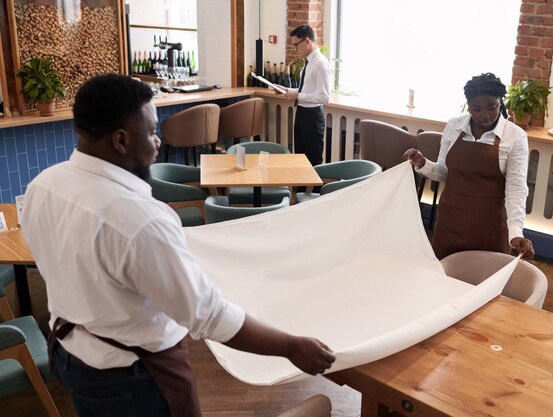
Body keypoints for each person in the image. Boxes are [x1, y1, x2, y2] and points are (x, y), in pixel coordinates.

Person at [22, 73, 335, 417]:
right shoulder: (140, 220)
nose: (158, 143)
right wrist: (291, 346)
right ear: (122, 140)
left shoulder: (42, 187)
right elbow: (209, 315)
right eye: (153, 132)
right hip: (132, 378)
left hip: (70, 357)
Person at [403, 73, 535, 261]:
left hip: (489, 226)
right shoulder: (454, 127)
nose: (485, 115)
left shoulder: (515, 136)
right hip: (450, 221)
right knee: (444, 279)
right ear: (468, 105)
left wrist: (515, 232)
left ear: (501, 103)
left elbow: (516, 188)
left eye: (493, 107)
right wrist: (423, 164)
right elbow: (444, 173)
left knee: (485, 282)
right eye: (477, 109)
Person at [279, 24, 331, 166]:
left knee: (313, 161)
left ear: (307, 41)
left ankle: (312, 189)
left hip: (313, 116)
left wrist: (297, 96)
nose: (296, 50)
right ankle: (301, 189)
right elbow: (307, 89)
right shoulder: (309, 62)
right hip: (301, 113)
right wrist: (287, 90)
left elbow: (325, 97)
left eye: (296, 45)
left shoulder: (320, 63)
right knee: (300, 159)